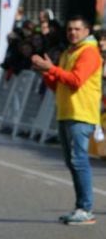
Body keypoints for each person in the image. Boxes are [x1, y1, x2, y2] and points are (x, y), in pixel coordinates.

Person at [31, 15, 103, 225]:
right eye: (70, 29)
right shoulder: (69, 52)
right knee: (72, 161)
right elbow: (60, 85)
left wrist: (51, 69)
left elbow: (76, 81)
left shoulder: (88, 52)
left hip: (81, 113)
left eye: (77, 29)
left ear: (87, 31)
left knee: (79, 160)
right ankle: (81, 206)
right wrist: (46, 72)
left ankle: (85, 208)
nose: (73, 32)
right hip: (67, 111)